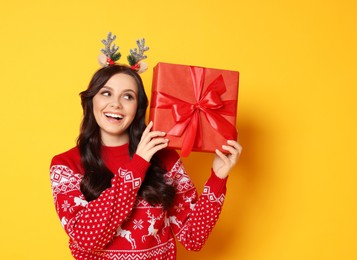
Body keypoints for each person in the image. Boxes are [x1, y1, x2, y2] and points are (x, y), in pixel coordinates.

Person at [49, 35, 242, 260]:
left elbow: (193, 239)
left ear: (139, 107)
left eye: (128, 96)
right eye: (106, 93)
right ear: (92, 101)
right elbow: (87, 238)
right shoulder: (65, 165)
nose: (116, 104)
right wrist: (138, 165)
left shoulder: (166, 158)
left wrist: (218, 178)